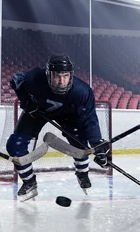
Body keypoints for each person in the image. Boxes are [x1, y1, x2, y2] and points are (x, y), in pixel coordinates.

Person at [8, 53, 109, 201]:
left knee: (80, 143)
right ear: (48, 74)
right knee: (14, 145)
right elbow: (16, 80)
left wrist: (96, 142)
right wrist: (26, 101)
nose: (61, 81)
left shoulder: (82, 91)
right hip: (37, 112)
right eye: (56, 76)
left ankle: (82, 173)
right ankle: (29, 182)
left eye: (65, 76)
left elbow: (90, 119)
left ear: (71, 75)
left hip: (69, 115)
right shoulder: (35, 78)